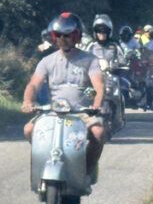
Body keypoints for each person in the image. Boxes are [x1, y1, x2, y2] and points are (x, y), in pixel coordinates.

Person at [21, 12, 106, 178]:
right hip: (53, 111)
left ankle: (86, 171)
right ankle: (44, 160)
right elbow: (33, 84)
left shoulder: (90, 60)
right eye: (58, 35)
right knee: (29, 130)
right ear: (54, 37)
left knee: (98, 133)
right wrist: (28, 101)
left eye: (67, 35)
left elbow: (99, 86)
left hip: (81, 112)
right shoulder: (47, 61)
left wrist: (96, 105)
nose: (62, 39)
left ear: (76, 36)